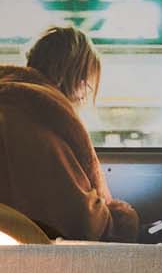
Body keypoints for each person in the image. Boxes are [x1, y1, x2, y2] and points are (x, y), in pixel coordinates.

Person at [0, 23, 139, 241]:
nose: (83, 95)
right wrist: (120, 219)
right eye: (85, 84)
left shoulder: (11, 104)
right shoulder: (44, 126)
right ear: (73, 79)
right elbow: (80, 221)